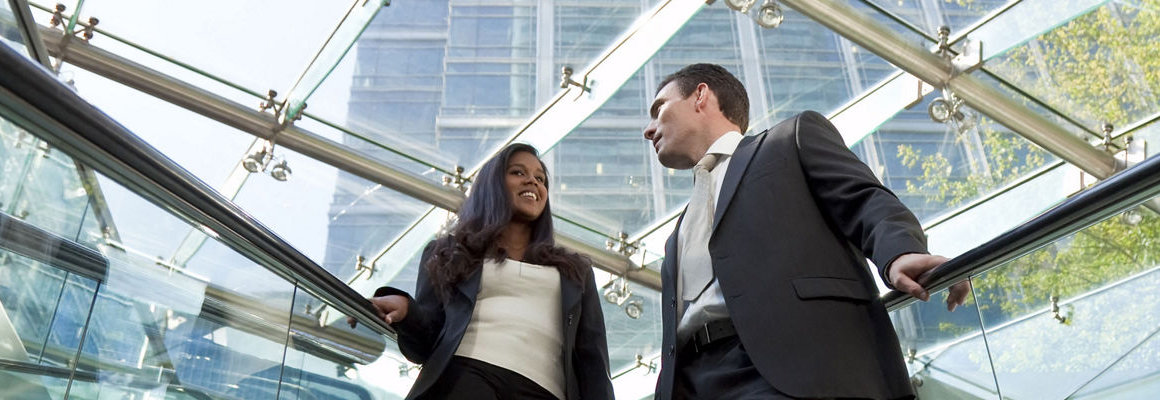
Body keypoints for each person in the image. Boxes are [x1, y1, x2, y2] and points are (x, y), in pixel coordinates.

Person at [642, 63, 971, 399]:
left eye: (659, 109)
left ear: (700, 96)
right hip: (693, 384)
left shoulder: (788, 141)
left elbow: (864, 199)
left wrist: (899, 252)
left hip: (795, 367)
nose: (648, 130)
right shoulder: (678, 234)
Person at [364, 143, 614, 400]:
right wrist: (406, 310)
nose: (532, 181)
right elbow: (427, 341)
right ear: (492, 185)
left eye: (540, 178)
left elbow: (592, 360)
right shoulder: (448, 252)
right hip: (466, 377)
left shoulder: (575, 271)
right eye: (518, 172)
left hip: (544, 391)